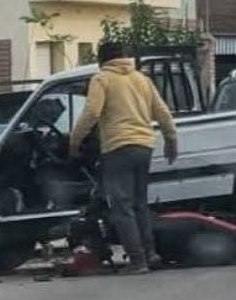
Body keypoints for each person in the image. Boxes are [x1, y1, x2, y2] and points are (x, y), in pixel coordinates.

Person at [69, 43, 178, 275]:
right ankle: (150, 254)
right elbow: (162, 112)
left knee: (122, 207)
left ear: (102, 60)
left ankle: (137, 262)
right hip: (144, 146)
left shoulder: (102, 79)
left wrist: (74, 141)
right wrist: (171, 141)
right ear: (123, 57)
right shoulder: (141, 79)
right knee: (140, 204)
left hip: (118, 148)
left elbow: (92, 112)